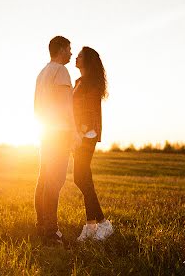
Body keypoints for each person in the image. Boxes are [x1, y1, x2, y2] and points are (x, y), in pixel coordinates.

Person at [34, 35, 81, 245]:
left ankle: (41, 225)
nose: (71, 53)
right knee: (55, 181)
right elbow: (65, 106)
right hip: (59, 133)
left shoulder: (42, 73)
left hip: (45, 132)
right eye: (69, 49)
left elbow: (37, 107)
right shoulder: (61, 71)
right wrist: (74, 132)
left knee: (44, 179)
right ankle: (52, 232)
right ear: (61, 49)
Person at [73, 46, 113, 242]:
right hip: (78, 136)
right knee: (83, 178)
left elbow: (90, 112)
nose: (76, 58)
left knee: (80, 178)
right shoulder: (79, 81)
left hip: (86, 135)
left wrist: (80, 131)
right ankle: (90, 225)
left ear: (87, 61)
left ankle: (104, 224)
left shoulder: (91, 84)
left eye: (79, 56)